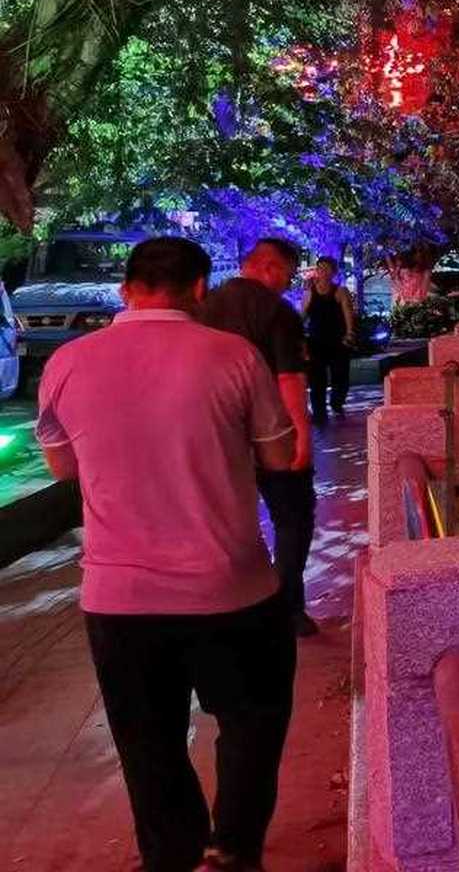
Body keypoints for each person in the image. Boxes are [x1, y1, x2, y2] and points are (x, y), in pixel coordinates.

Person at [36, 236, 297, 872]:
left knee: (147, 744)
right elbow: (278, 455)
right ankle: (231, 848)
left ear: (127, 290)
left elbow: (62, 465)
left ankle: (172, 858)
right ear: (201, 288)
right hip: (230, 588)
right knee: (251, 722)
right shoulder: (233, 356)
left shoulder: (68, 363)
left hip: (120, 599)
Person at [199, 238, 318, 639]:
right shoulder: (276, 311)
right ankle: (287, 609)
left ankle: (234, 608)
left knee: (225, 522)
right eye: (287, 272)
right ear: (268, 266)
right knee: (293, 518)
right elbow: (288, 377)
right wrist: (302, 435)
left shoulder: (204, 307)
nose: (288, 282)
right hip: (272, 435)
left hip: (215, 434)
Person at [304, 256, 358, 424]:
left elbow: (348, 313)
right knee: (316, 379)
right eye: (320, 268)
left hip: (337, 341)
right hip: (316, 341)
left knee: (340, 376)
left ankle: (337, 402)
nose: (322, 272)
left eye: (327, 268)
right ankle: (319, 413)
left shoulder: (340, 291)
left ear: (333, 272)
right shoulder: (309, 291)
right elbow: (303, 313)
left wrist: (349, 334)